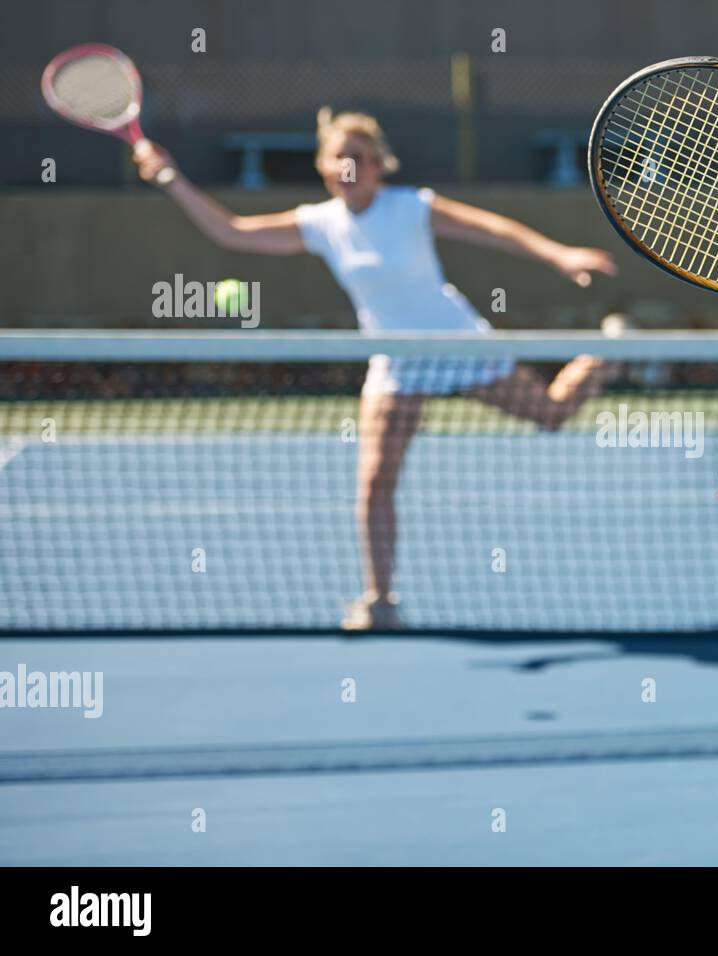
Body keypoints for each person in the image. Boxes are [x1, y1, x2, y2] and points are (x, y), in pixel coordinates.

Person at [134, 107, 620, 631]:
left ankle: (605, 354)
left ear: (377, 165)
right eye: (337, 158)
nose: (347, 167)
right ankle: (380, 600)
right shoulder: (319, 223)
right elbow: (231, 231)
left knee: (550, 413)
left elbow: (495, 229)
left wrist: (560, 255)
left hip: (456, 344)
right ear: (322, 167)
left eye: (358, 158)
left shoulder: (411, 208)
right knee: (375, 481)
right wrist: (170, 178)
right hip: (397, 363)